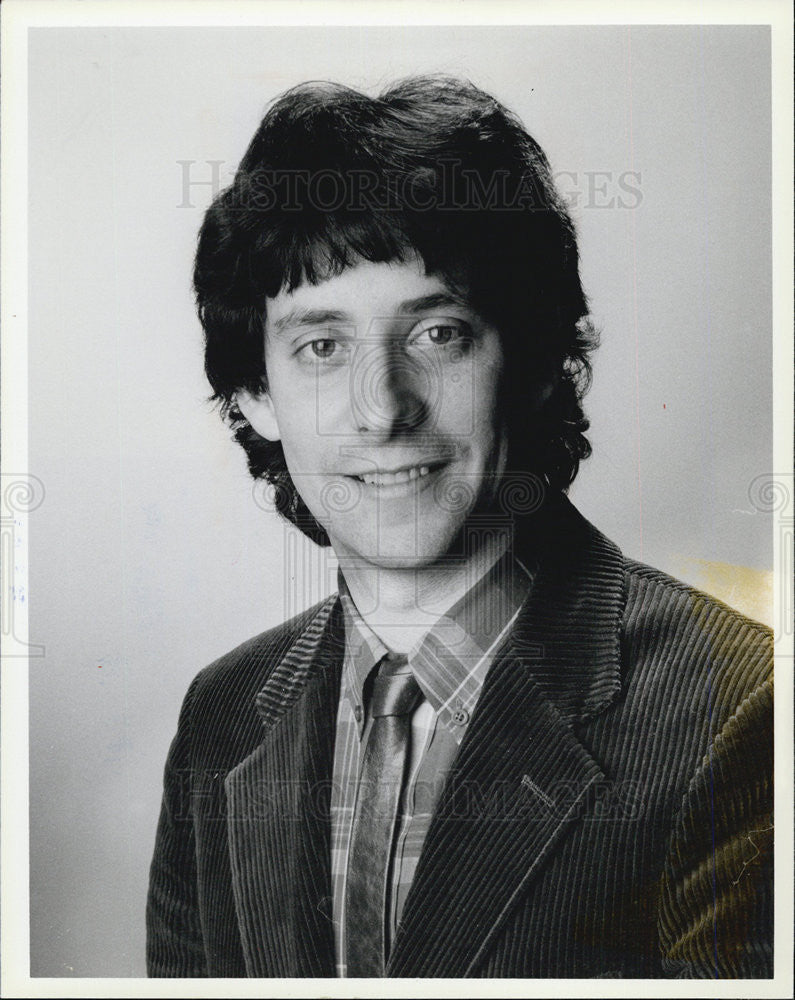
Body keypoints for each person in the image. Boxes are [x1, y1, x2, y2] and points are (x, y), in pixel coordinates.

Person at [146, 76, 773, 979]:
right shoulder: (224, 714)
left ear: (534, 358)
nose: (381, 409)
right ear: (255, 396)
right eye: (321, 347)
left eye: (437, 333)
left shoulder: (741, 711)